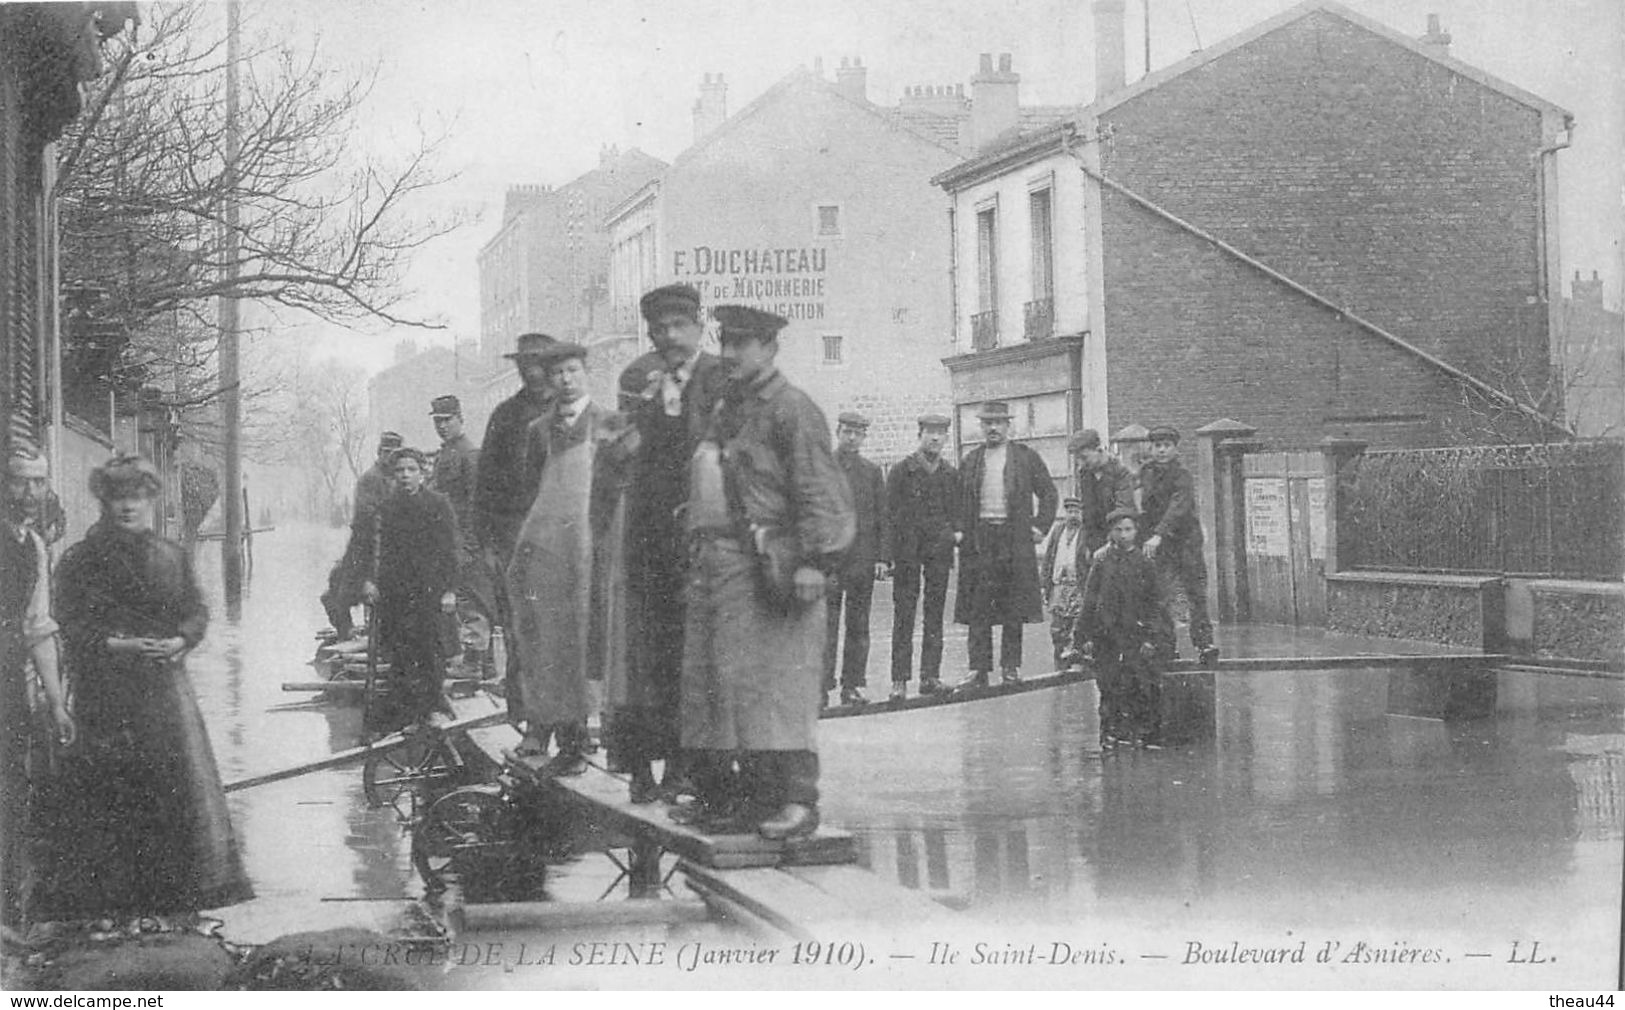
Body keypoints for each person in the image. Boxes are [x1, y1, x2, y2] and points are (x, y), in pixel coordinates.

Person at [41, 453, 252, 920]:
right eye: (118, 498)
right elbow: (70, 624)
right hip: (107, 693)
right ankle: (110, 907)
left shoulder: (171, 555)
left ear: (151, 500)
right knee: (111, 793)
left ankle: (171, 903)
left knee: (172, 790)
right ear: (104, 502)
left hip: (164, 694)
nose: (128, 507)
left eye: (136, 497)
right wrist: (119, 644)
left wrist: (181, 639)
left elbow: (196, 609)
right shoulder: (82, 559)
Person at [675, 304, 854, 840]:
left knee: (781, 687)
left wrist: (815, 562)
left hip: (774, 564)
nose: (729, 353)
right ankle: (746, 801)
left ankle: (798, 800)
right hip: (722, 562)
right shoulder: (731, 406)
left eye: (742, 344)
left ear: (771, 348)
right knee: (730, 687)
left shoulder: (792, 409)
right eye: (725, 342)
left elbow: (820, 489)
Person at [613, 283, 727, 803]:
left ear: (699, 325)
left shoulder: (721, 379)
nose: (669, 337)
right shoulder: (640, 379)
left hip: (705, 537)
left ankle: (691, 770)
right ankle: (642, 768)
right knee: (649, 653)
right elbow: (625, 457)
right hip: (650, 538)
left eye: (678, 326)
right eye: (659, 330)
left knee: (698, 655)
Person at [506, 343, 633, 776]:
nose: (565, 379)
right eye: (557, 372)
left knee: (596, 639)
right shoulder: (537, 431)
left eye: (572, 370)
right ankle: (566, 737)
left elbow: (620, 489)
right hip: (551, 550)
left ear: (586, 373)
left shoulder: (610, 424)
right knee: (553, 640)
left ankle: (611, 743)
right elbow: (527, 493)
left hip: (595, 548)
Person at [1, 448, 75, 928]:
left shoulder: (33, 547)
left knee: (12, 787)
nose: (30, 493)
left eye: (38, 482)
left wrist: (57, 704)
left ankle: (8, 915)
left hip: (7, 678)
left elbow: (38, 629)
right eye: (18, 482)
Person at [474, 332, 558, 710]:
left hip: (563, 536)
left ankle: (573, 725)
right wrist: (488, 546)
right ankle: (525, 719)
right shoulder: (505, 417)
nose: (533, 372)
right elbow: (485, 487)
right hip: (513, 536)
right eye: (526, 365)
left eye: (540, 363)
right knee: (520, 628)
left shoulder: (573, 410)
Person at [353, 447, 459, 734]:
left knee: (429, 649)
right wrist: (368, 581)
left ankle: (433, 708)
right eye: (399, 471)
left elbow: (450, 550)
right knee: (399, 650)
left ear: (422, 473)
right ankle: (406, 713)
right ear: (393, 475)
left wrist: (449, 590)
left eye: (411, 470)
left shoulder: (438, 505)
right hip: (395, 591)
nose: (405, 476)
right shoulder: (386, 508)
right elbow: (371, 549)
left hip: (429, 590)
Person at [952, 401, 1057, 688]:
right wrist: (959, 530)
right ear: (981, 427)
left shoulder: (1025, 457)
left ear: (1009, 426)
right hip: (980, 539)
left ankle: (1011, 666)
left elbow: (1048, 493)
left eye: (999, 422)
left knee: (1013, 605)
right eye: (988, 423)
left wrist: (1040, 526)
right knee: (979, 606)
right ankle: (978, 669)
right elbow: (957, 501)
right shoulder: (972, 459)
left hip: (1014, 539)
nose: (993, 428)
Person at [1074, 507, 1166, 749]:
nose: (1124, 535)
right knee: (1109, 684)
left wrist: (1151, 637)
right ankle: (1110, 733)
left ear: (1136, 532)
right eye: (1118, 530)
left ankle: (1142, 734)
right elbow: (1090, 600)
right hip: (1107, 633)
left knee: (1140, 683)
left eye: (1128, 529)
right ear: (1110, 532)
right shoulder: (1102, 561)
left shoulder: (1144, 563)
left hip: (1136, 633)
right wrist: (1083, 636)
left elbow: (1155, 603)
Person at [885, 413, 957, 700]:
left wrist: (955, 534)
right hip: (907, 553)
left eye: (941, 433)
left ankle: (930, 676)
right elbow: (888, 515)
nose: (936, 438)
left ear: (946, 438)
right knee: (904, 614)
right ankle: (899, 680)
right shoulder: (902, 471)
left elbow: (957, 511)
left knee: (935, 614)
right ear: (920, 435)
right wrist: (888, 555)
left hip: (938, 552)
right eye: (930, 432)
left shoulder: (949, 474)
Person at [1139, 425, 1219, 665]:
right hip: (1159, 544)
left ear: (1175, 448)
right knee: (1160, 596)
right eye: (1157, 446)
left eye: (1166, 446)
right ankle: (1166, 646)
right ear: (1151, 448)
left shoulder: (1182, 474)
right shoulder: (1145, 472)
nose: (1161, 450)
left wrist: (1159, 534)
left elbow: (1179, 506)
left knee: (1196, 594)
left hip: (1185, 542)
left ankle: (1204, 644)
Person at [823, 411, 887, 708]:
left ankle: (852, 686)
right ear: (838, 432)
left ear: (863, 437)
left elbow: (882, 518)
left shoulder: (872, 472)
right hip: (830, 563)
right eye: (847, 431)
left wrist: (882, 559)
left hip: (861, 561)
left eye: (857, 433)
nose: (851, 437)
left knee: (858, 626)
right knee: (826, 627)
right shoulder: (823, 467)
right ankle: (820, 689)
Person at [430, 394, 493, 671]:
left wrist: (469, 546)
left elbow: (475, 507)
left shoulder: (470, 455)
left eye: (447, 420)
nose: (442, 426)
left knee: (470, 601)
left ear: (460, 419)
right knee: (449, 599)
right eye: (437, 421)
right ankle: (462, 658)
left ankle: (476, 662)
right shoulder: (444, 455)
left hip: (465, 543)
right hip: (445, 541)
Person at [320, 431, 404, 640]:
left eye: (394, 453)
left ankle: (380, 633)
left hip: (393, 547)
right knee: (340, 589)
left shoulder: (400, 477)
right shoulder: (370, 479)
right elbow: (367, 518)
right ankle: (347, 632)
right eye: (386, 452)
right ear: (379, 453)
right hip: (366, 544)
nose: (390, 457)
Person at [1041, 497, 1088, 671]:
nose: (1073, 515)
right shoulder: (1057, 531)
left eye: (1076, 512)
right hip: (1058, 586)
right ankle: (1059, 663)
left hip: (1078, 586)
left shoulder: (1086, 532)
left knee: (1078, 625)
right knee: (1058, 628)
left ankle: (1078, 663)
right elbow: (1048, 558)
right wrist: (1044, 584)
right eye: (1070, 512)